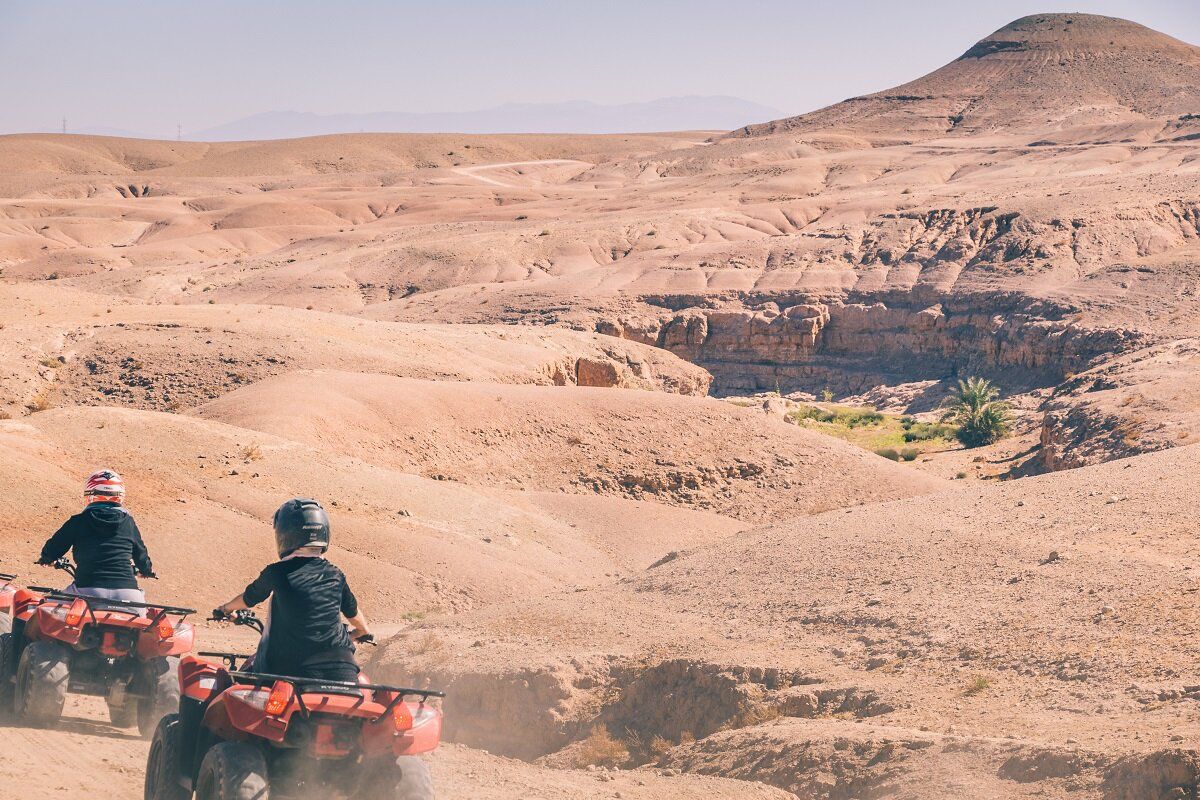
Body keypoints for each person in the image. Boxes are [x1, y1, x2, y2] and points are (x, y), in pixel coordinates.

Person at [214, 498, 372, 682]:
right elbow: (356, 617)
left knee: (233, 692)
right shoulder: (336, 575)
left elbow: (249, 598)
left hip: (288, 672)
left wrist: (225, 609)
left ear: (285, 533)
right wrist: (360, 632)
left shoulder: (277, 572)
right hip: (344, 675)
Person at [38, 469, 155, 603]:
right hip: (129, 596)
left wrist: (47, 558)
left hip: (86, 592)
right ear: (120, 496)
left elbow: (53, 548)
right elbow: (142, 556)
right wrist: (146, 570)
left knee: (43, 607)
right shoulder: (128, 523)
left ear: (89, 494)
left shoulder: (78, 521)